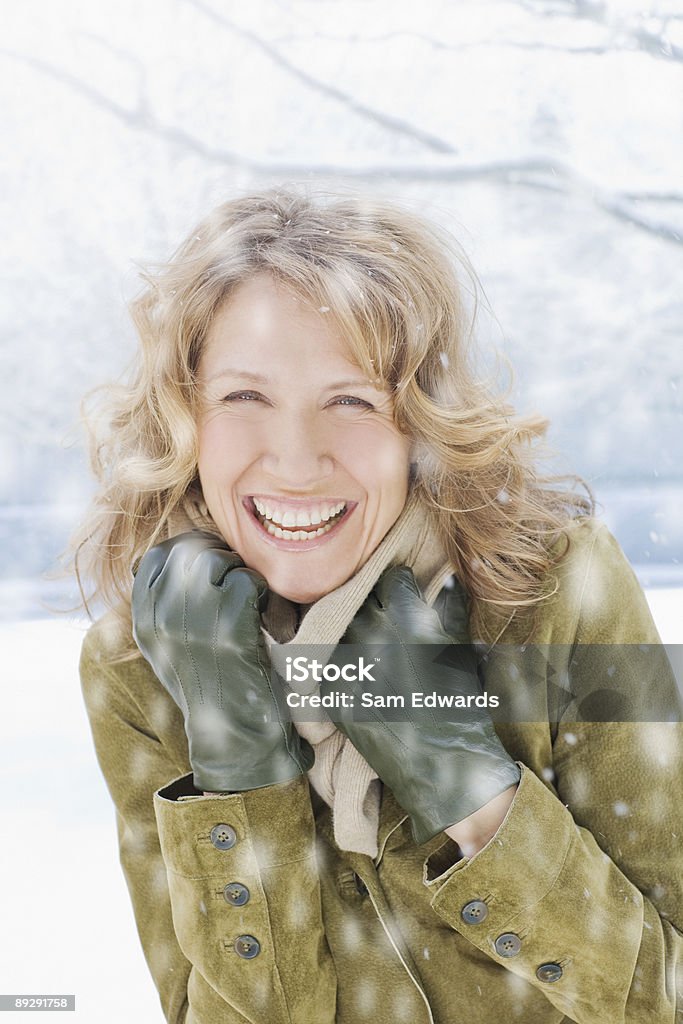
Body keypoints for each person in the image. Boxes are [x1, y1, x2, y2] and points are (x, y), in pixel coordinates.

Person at [70, 185, 683, 1024]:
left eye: (351, 400)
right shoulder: (135, 665)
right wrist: (239, 766)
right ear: (186, 418)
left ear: (417, 425)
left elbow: (667, 992)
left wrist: (480, 801)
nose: (294, 462)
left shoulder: (562, 586)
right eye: (243, 398)